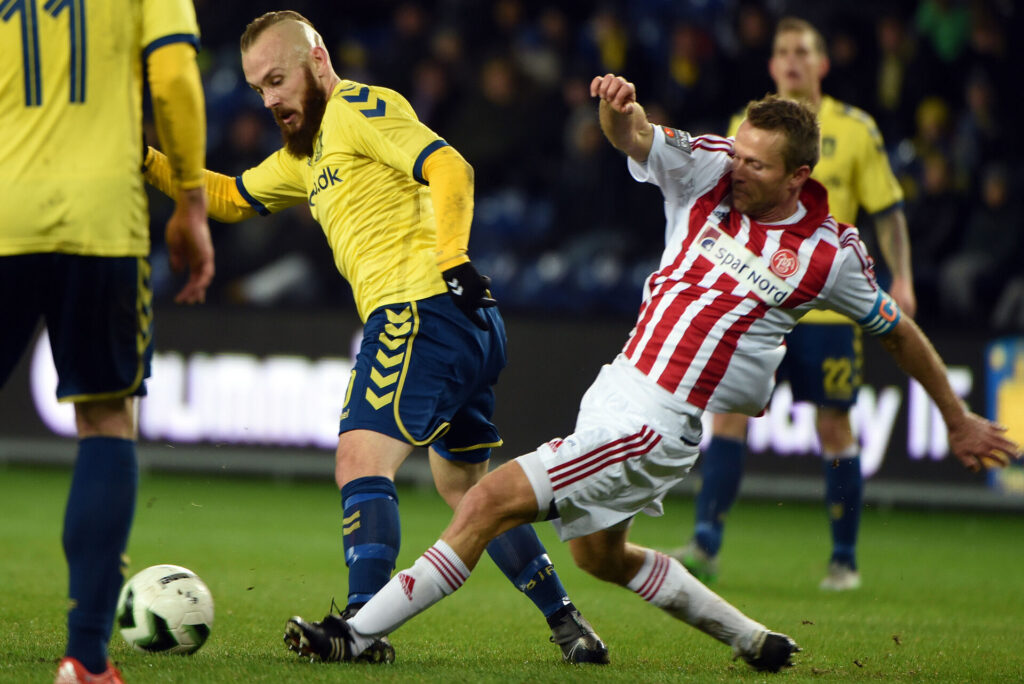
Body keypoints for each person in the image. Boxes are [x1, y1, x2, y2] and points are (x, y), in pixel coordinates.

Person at [274, 79, 1020, 670]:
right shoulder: (709, 169)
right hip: (618, 385)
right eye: (740, 151)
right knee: (599, 554)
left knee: (486, 499)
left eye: (758, 164)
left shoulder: (831, 254)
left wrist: (955, 415)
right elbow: (635, 138)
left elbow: (897, 331)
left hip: (656, 423)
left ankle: (357, 634)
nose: (739, 168)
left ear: (799, 175)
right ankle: (751, 639)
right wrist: (617, 110)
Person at [141, 10, 606, 665]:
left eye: (277, 78)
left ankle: (361, 625)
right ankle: (567, 622)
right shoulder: (307, 156)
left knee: (360, 461)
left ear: (318, 59)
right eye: (258, 88)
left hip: (420, 309)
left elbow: (450, 167)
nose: (270, 98)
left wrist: (451, 256)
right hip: (462, 325)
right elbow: (228, 196)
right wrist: (146, 160)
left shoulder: (359, 107)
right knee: (471, 494)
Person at [0, 1, 213, 682]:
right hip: (101, 222)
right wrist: (190, 199)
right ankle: (85, 660)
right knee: (105, 422)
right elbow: (175, 77)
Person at [674, 17, 917, 591]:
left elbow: (888, 210)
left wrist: (901, 280)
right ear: (771, 64)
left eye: (803, 52)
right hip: (758, 302)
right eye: (782, 52)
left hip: (828, 307)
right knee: (727, 416)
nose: (791, 61)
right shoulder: (750, 128)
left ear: (822, 64)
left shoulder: (856, 129)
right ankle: (706, 542)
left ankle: (844, 559)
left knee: (834, 425)